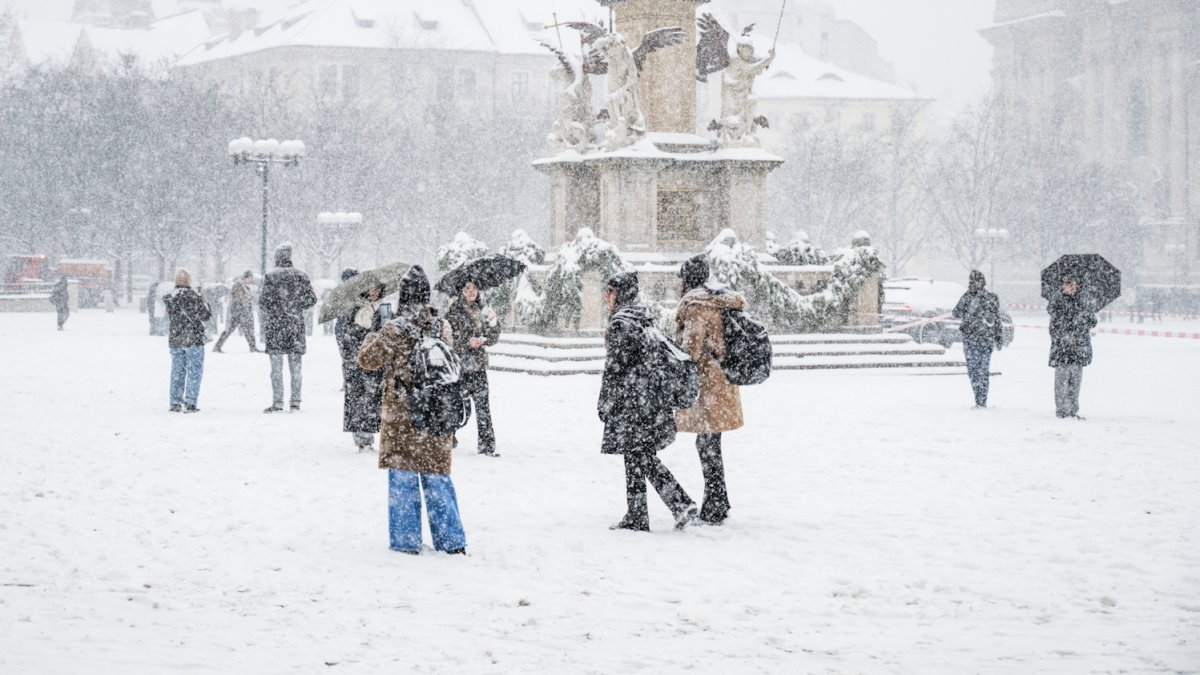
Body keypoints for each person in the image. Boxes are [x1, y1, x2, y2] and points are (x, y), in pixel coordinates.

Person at [358, 266, 467, 555]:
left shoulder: (394, 328)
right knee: (437, 477)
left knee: (403, 479)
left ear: (403, 296)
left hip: (403, 415)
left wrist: (371, 335)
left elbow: (367, 360)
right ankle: (451, 540)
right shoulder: (441, 326)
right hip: (435, 411)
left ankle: (406, 541)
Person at [600, 271, 698, 532]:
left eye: (611, 291)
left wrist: (605, 402)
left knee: (640, 456)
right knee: (636, 456)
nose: (606, 296)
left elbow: (615, 370)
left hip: (633, 402)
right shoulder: (642, 318)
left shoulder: (622, 323)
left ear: (622, 294)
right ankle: (638, 514)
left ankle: (679, 503)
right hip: (647, 400)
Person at [673, 256, 745, 526]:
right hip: (722, 380)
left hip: (707, 383)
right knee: (710, 443)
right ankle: (718, 501)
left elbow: (690, 348)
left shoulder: (696, 305)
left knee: (707, 445)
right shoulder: (718, 299)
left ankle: (716, 505)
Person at [260, 243, 317, 413]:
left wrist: (277, 308)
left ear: (277, 258)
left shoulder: (271, 276)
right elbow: (311, 299)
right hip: (295, 325)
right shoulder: (301, 276)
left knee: (276, 369)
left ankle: (278, 402)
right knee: (296, 368)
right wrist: (295, 306)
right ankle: (295, 402)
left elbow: (263, 301)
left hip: (276, 326)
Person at [446, 280, 500, 457]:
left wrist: (492, 327)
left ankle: (487, 446)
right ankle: (448, 437)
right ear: (461, 291)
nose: (471, 292)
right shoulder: (454, 311)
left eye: (474, 288)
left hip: (478, 365)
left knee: (483, 407)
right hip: (460, 367)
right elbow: (448, 338)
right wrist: (466, 342)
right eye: (467, 288)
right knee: (456, 406)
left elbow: (492, 337)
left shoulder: (484, 309)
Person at [335, 268, 383, 452]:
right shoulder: (354, 307)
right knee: (358, 398)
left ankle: (368, 435)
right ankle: (362, 438)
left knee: (371, 397)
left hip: (374, 360)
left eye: (377, 289)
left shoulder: (380, 308)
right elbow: (345, 334)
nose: (374, 292)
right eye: (371, 288)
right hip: (356, 360)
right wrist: (360, 345)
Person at [952, 270, 1004, 409]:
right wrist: (998, 337)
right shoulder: (990, 298)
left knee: (974, 371)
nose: (973, 283)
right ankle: (981, 400)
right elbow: (997, 319)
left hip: (972, 339)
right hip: (985, 339)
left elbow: (956, 313)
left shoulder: (968, 297)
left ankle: (979, 400)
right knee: (982, 371)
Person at [1048, 275, 1097, 419]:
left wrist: (1085, 315)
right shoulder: (1057, 302)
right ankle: (1062, 410)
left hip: (1078, 349)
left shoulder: (1083, 301)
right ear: (1063, 286)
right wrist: (1066, 335)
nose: (1073, 288)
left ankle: (1073, 410)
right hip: (1063, 350)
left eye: (1075, 285)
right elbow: (1054, 328)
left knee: (1075, 382)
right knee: (1062, 382)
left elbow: (1093, 322)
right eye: (1069, 285)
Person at [162, 268, 211, 413]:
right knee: (194, 371)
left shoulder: (169, 297)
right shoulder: (194, 296)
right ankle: (190, 402)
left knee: (177, 371)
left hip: (176, 339)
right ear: (189, 280)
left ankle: (175, 402)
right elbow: (206, 316)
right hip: (193, 339)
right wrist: (204, 301)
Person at [214, 271, 259, 353]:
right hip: (238, 312)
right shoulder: (239, 284)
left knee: (247, 330)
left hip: (240, 312)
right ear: (247, 277)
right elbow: (239, 298)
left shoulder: (243, 285)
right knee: (231, 330)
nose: (251, 280)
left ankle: (253, 347)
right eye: (250, 278)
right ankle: (217, 346)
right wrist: (249, 298)